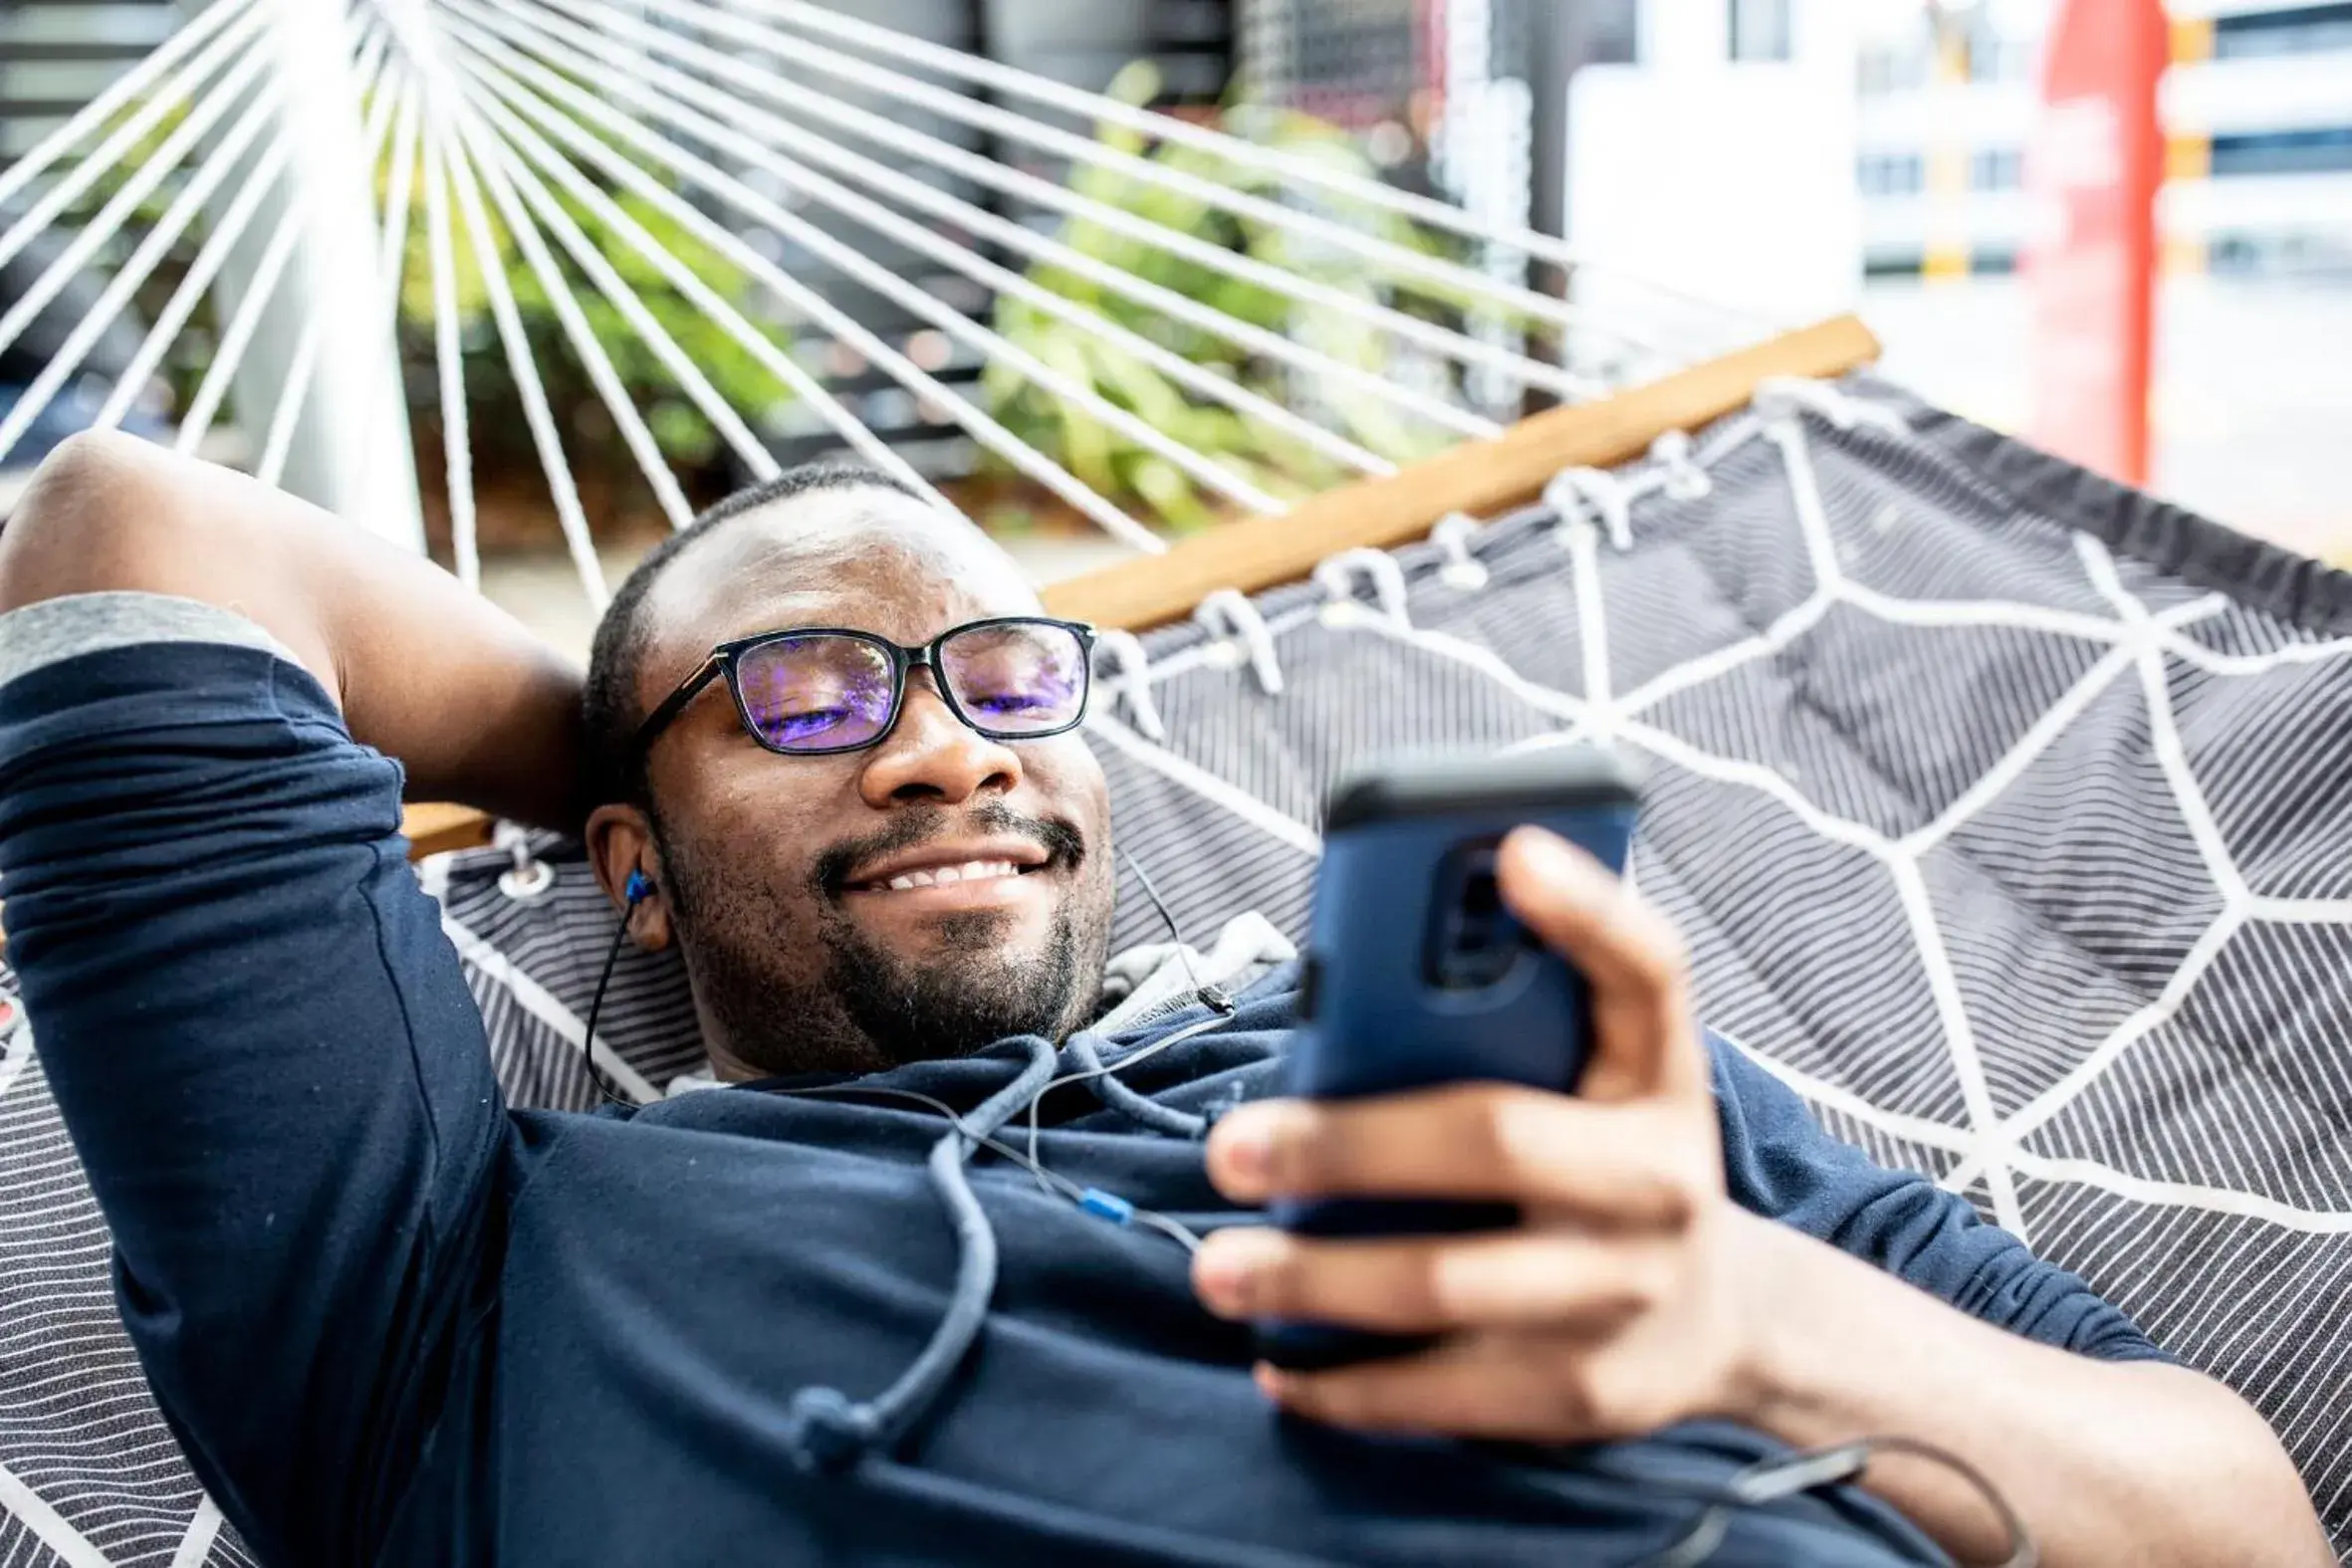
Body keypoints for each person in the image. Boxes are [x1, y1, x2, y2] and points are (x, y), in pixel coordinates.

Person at [0, 429, 2323, 1568]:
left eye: (1004, 675)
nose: (947, 738)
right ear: (619, 858)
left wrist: (1753, 1325)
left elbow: (2239, 1520)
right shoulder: (458, 1276)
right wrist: (632, 736)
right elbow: (132, 527)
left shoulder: (1534, 1117)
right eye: (810, 690)